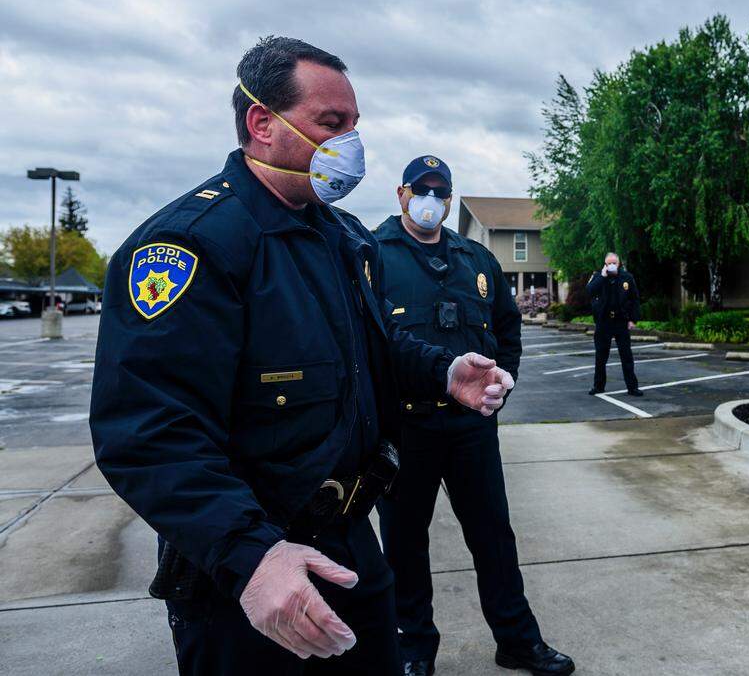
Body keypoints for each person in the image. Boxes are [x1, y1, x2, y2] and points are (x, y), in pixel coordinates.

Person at [89, 36, 515, 676]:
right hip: (252, 575)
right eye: (331, 124)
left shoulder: (339, 236)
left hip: (349, 547)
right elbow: (148, 432)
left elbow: (366, 348)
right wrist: (251, 556)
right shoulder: (190, 246)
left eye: (354, 126)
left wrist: (443, 370)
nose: (350, 145)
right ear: (262, 123)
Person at [374, 157, 574, 676]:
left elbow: (507, 331)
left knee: (493, 536)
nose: (432, 199)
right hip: (405, 426)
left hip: (471, 429)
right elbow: (368, 344)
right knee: (404, 543)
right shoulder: (372, 256)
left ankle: (517, 641)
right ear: (401, 194)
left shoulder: (476, 260)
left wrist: (502, 382)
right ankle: (414, 648)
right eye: (423, 188)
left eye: (442, 191)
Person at [585, 253, 642, 396]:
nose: (611, 265)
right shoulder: (598, 277)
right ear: (604, 264)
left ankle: (632, 387)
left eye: (614, 263)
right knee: (601, 356)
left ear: (619, 264)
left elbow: (635, 299)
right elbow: (590, 291)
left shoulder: (627, 277)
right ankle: (598, 386)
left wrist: (632, 319)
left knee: (626, 356)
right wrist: (602, 276)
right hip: (604, 322)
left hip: (621, 321)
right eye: (608, 263)